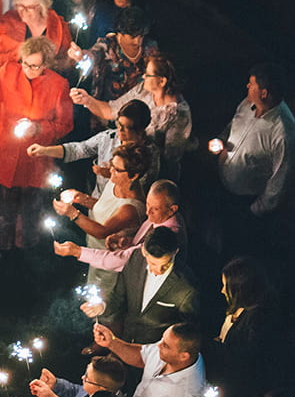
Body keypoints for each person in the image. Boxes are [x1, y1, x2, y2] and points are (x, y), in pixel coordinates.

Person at [0, 36, 73, 253]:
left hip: (35, 158)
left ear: (45, 64)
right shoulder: (8, 71)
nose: (28, 69)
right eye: (25, 63)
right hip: (4, 152)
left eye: (34, 66)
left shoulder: (58, 85)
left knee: (29, 208)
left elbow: (65, 124)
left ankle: (26, 248)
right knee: (4, 207)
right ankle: (3, 245)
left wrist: (39, 128)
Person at [54, 143, 153, 292]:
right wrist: (82, 199)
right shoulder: (116, 181)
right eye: (112, 165)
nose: (110, 171)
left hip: (110, 261)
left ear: (134, 175)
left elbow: (102, 231)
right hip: (94, 249)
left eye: (117, 169)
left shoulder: (130, 208)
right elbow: (104, 207)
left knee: (103, 301)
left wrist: (72, 213)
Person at [75, 52, 192, 175]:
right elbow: (112, 111)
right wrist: (87, 100)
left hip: (146, 175)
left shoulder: (178, 114)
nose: (143, 76)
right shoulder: (143, 91)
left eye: (148, 74)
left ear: (162, 81)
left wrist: (118, 172)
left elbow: (168, 160)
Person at [81, 227, 199, 346]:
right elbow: (118, 296)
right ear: (143, 251)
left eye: (165, 265)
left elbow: (188, 332)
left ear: (175, 252)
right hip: (127, 340)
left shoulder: (187, 288)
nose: (158, 271)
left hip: (157, 353)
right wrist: (102, 306)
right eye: (153, 263)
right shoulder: (135, 259)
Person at [215, 62, 295, 218]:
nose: (247, 85)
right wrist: (221, 139)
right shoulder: (248, 103)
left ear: (264, 93)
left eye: (252, 84)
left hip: (243, 201)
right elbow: (233, 124)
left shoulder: (284, 135)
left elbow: (279, 181)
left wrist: (254, 210)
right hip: (220, 180)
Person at [53, 177, 183, 280]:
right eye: (148, 204)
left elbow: (124, 259)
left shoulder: (167, 235)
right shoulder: (159, 216)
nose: (148, 212)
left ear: (172, 209)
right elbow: (141, 239)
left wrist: (76, 251)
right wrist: (126, 241)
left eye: (154, 208)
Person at [30, 97, 154, 201]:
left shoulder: (149, 153)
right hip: (96, 202)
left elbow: (142, 191)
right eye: (119, 124)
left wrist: (110, 174)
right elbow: (78, 149)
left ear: (139, 130)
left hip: (122, 211)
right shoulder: (108, 137)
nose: (119, 130)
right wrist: (44, 150)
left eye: (126, 127)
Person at [209, 255, 283, 397]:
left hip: (234, 391)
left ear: (241, 289)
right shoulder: (239, 306)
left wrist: (216, 347)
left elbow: (241, 361)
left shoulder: (257, 323)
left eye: (226, 286)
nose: (222, 290)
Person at [74, 7, 156, 114]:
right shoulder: (107, 45)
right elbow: (93, 55)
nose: (138, 41)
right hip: (105, 110)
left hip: (139, 112)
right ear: (120, 33)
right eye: (133, 37)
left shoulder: (150, 48)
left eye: (141, 35)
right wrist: (81, 56)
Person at [0, 0, 70, 69]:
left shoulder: (58, 25)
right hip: (11, 78)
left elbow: (66, 60)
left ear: (41, 7)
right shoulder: (10, 19)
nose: (24, 11)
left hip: (46, 79)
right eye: (20, 6)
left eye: (30, 7)